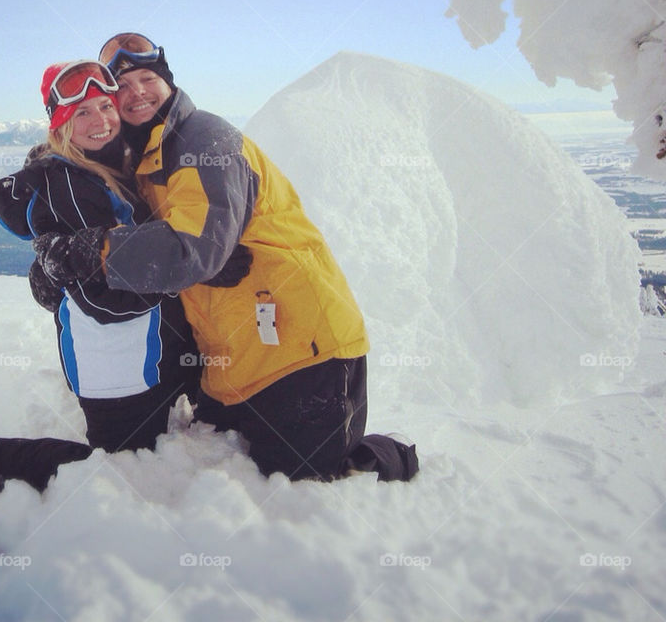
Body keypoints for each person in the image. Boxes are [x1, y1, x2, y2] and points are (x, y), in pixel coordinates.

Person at [34, 34, 418, 483]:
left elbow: (191, 248)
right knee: (221, 463)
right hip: (232, 357)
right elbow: (143, 236)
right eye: (122, 85)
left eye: (147, 78)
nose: (136, 92)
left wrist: (91, 254)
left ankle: (392, 457)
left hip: (302, 351)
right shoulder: (146, 156)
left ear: (168, 82)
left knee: (306, 481)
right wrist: (50, 270)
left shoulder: (204, 139)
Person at [0, 59, 212, 496]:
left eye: (105, 106)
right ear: (60, 123)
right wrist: (184, 271)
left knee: (165, 447)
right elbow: (107, 302)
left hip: (153, 349)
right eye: (82, 112)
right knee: (119, 470)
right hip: (115, 367)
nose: (101, 120)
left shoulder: (110, 164)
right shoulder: (68, 184)